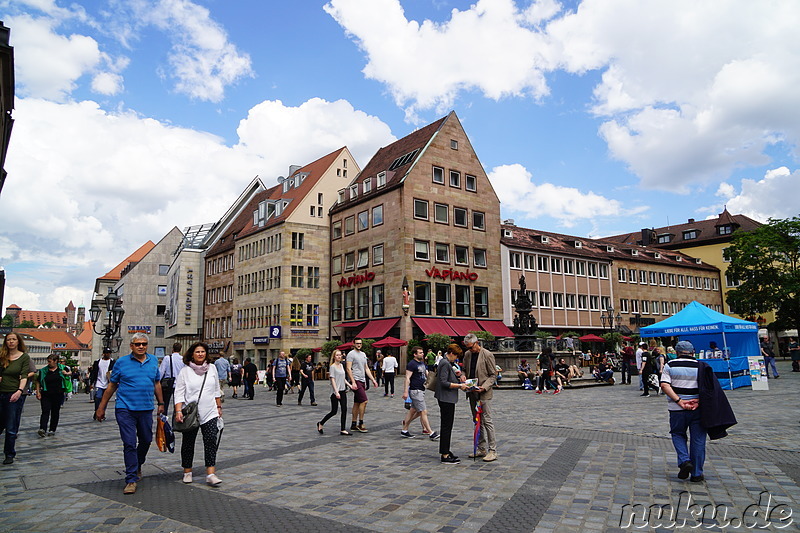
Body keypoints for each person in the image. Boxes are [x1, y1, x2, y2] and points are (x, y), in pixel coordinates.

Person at [95, 333, 164, 494]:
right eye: (138, 344)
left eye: (144, 344)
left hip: (146, 408)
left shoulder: (153, 360)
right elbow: (112, 386)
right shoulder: (121, 362)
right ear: (131, 346)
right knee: (129, 443)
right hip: (125, 408)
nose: (141, 346)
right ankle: (131, 478)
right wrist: (101, 407)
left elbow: (157, 382)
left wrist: (161, 403)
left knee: (146, 440)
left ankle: (137, 463)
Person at [660, 340, 734, 483]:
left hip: (677, 410)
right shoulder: (701, 366)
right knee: (698, 440)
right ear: (693, 352)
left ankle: (684, 460)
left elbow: (664, 385)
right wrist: (698, 401)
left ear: (677, 352)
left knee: (677, 434)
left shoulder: (670, 365)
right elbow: (710, 389)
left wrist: (679, 401)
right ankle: (697, 473)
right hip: (698, 409)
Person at [174, 342, 223, 486]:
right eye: (197, 352)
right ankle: (187, 471)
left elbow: (216, 389)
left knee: (210, 442)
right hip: (191, 414)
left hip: (210, 412)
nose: (200, 354)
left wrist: (218, 406)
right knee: (188, 443)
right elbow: (179, 393)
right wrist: (178, 411)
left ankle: (211, 473)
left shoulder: (212, 368)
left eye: (203, 352)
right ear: (192, 354)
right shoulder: (185, 371)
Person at [462, 333, 498, 462]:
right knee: (477, 420)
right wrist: (463, 375)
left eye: (471, 347)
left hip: (484, 392)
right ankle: (481, 448)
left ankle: (492, 450)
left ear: (477, 343)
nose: (469, 349)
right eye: (467, 347)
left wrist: (485, 386)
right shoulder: (467, 355)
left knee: (487, 420)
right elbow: (464, 370)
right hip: (472, 392)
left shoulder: (487, 355)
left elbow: (493, 375)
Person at [0, 332, 31, 465]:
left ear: (18, 342)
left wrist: (19, 391)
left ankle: (9, 453)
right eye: (8, 340)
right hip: (1, 392)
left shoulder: (24, 357)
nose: (11, 342)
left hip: (13, 394)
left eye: (13, 339)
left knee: (11, 426)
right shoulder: (2, 356)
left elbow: (24, 376)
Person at [435, 344, 469, 464]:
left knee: (447, 425)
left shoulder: (446, 363)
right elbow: (444, 382)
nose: (456, 358)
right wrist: (460, 386)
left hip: (447, 398)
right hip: (446, 398)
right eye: (456, 356)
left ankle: (446, 451)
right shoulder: (445, 363)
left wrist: (458, 378)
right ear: (451, 353)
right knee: (446, 426)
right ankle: (444, 454)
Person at [400, 346, 439, 440]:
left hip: (421, 390)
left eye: (422, 352)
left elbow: (426, 373)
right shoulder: (411, 364)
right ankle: (430, 432)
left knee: (413, 410)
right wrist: (405, 392)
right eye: (420, 353)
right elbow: (407, 378)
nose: (422, 354)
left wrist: (433, 381)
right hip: (415, 390)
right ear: (415, 354)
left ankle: (404, 430)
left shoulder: (421, 363)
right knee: (423, 411)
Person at [317, 350, 356, 436]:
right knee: (334, 411)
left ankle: (343, 429)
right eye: (337, 355)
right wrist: (336, 392)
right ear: (334, 357)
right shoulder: (332, 367)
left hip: (343, 390)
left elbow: (343, 378)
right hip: (335, 392)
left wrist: (350, 385)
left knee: (344, 409)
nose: (339, 357)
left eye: (340, 355)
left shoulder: (342, 365)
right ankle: (321, 423)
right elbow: (333, 379)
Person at [346, 338, 378, 433]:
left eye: (360, 343)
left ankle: (353, 424)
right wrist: (353, 381)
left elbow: (366, 368)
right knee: (364, 401)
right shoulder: (351, 354)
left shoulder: (363, 354)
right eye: (357, 343)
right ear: (353, 344)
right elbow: (348, 368)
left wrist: (373, 379)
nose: (359, 345)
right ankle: (361, 423)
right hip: (356, 379)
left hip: (362, 379)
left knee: (357, 402)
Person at [34, 353, 68, 437]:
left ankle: (52, 429)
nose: (48, 363)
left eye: (50, 361)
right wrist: (38, 392)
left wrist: (67, 373)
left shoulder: (62, 368)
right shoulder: (43, 371)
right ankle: (42, 429)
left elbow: (70, 372)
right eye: (48, 361)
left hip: (58, 393)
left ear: (56, 361)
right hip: (46, 393)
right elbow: (38, 381)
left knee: (55, 412)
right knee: (45, 411)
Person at [158, 342, 185, 417]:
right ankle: (175, 423)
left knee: (165, 404)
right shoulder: (182, 359)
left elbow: (161, 371)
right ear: (180, 349)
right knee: (177, 405)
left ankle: (164, 423)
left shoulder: (167, 358)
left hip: (168, 384)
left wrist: (157, 382)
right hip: (179, 385)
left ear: (172, 349)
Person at [90, 347, 116, 418]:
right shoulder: (98, 362)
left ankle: (102, 413)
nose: (108, 354)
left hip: (108, 384)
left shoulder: (113, 362)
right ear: (103, 354)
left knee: (105, 399)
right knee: (98, 397)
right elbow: (93, 373)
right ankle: (97, 411)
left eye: (109, 353)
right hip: (99, 383)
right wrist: (91, 382)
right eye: (106, 353)